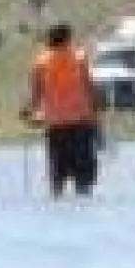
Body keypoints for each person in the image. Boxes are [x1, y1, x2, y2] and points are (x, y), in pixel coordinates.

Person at [20, 22, 101, 199]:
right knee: (84, 177)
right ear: (67, 39)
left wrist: (27, 112)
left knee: (58, 175)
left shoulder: (41, 63)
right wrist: (97, 116)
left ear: (50, 39)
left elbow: (35, 94)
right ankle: (83, 198)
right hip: (81, 123)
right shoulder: (79, 59)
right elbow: (90, 88)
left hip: (56, 126)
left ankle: (57, 199)